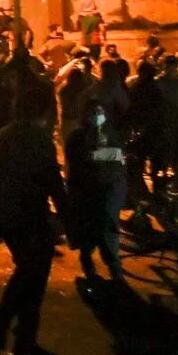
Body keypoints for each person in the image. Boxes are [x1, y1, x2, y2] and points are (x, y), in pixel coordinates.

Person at [0, 86, 69, 355]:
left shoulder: (3, 135)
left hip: (8, 213)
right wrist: (68, 215)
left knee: (29, 272)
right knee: (33, 274)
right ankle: (8, 326)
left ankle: (21, 338)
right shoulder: (38, 139)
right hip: (28, 214)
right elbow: (52, 182)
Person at [63, 95, 128, 284]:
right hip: (87, 192)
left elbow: (118, 157)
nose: (96, 116)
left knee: (106, 230)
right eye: (92, 113)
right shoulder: (78, 136)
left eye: (98, 113)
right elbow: (78, 161)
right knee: (89, 231)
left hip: (106, 190)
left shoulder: (107, 133)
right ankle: (92, 269)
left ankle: (114, 272)